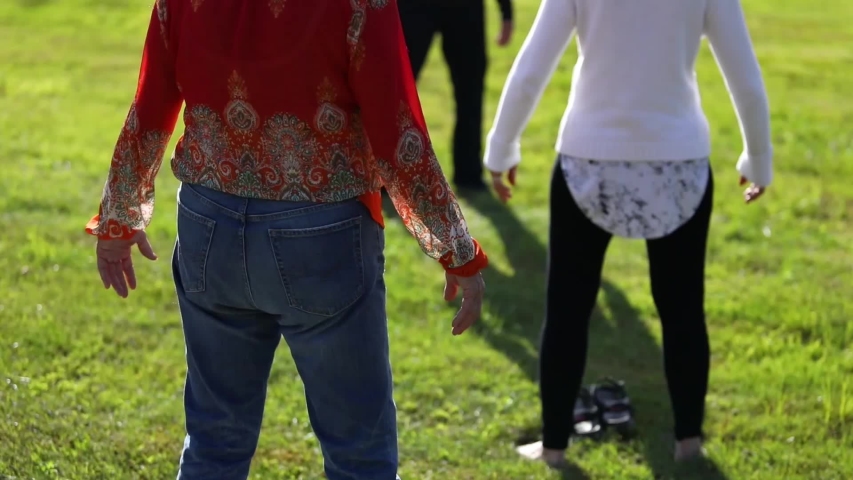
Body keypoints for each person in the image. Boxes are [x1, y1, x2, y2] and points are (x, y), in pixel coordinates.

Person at [86, 1, 488, 479]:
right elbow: (397, 131)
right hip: (321, 234)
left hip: (209, 222)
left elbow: (150, 104)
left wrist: (118, 218)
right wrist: (456, 250)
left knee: (214, 442)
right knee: (359, 454)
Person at [484, 0, 772, 467]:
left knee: (567, 311)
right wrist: (757, 159)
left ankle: (554, 448)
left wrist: (501, 150)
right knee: (682, 312)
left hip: (588, 160)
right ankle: (688, 445)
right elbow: (745, 75)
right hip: (678, 161)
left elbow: (532, 67)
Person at [397, 0, 515, 191]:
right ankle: (384, 174)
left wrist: (506, 11)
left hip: (465, 9)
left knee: (470, 92)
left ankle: (468, 173)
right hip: (414, 7)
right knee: (397, 92)